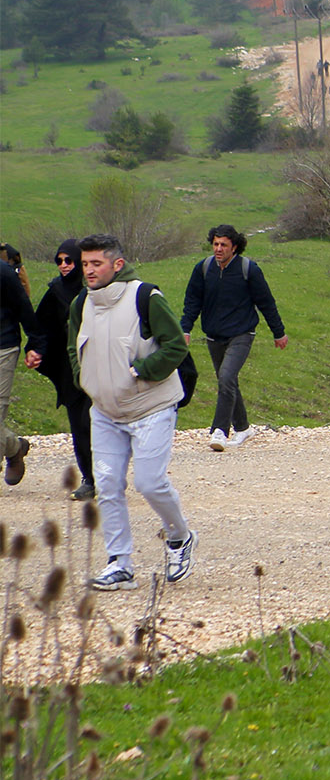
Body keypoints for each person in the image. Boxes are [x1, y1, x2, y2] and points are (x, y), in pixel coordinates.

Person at [68, 235, 196, 590]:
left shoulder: (146, 296)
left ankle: (179, 537)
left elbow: (175, 346)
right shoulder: (81, 303)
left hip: (151, 407)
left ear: (117, 264)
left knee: (150, 483)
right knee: (107, 485)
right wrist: (85, 380)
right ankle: (119, 563)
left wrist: (142, 370)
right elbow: (71, 345)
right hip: (105, 412)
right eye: (85, 264)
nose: (89, 271)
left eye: (96, 264)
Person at [179, 224, 288, 452]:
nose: (218, 249)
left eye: (223, 245)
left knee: (226, 377)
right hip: (213, 336)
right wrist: (185, 329)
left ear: (234, 247)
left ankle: (219, 430)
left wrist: (278, 332)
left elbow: (266, 303)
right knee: (228, 380)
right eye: (215, 244)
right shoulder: (204, 268)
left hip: (242, 334)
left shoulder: (249, 270)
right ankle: (243, 427)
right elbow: (192, 301)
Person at [27, 241, 92, 499]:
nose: (64, 266)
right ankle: (89, 478)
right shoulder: (56, 291)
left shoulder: (96, 289)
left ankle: (109, 476)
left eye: (70, 261)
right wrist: (35, 350)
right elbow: (40, 326)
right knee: (79, 423)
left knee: (99, 423)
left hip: (99, 364)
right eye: (60, 261)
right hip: (70, 368)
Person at [0, 245, 44, 486]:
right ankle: (15, 448)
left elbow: (24, 308)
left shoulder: (4, 273)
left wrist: (34, 344)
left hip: (3, 347)